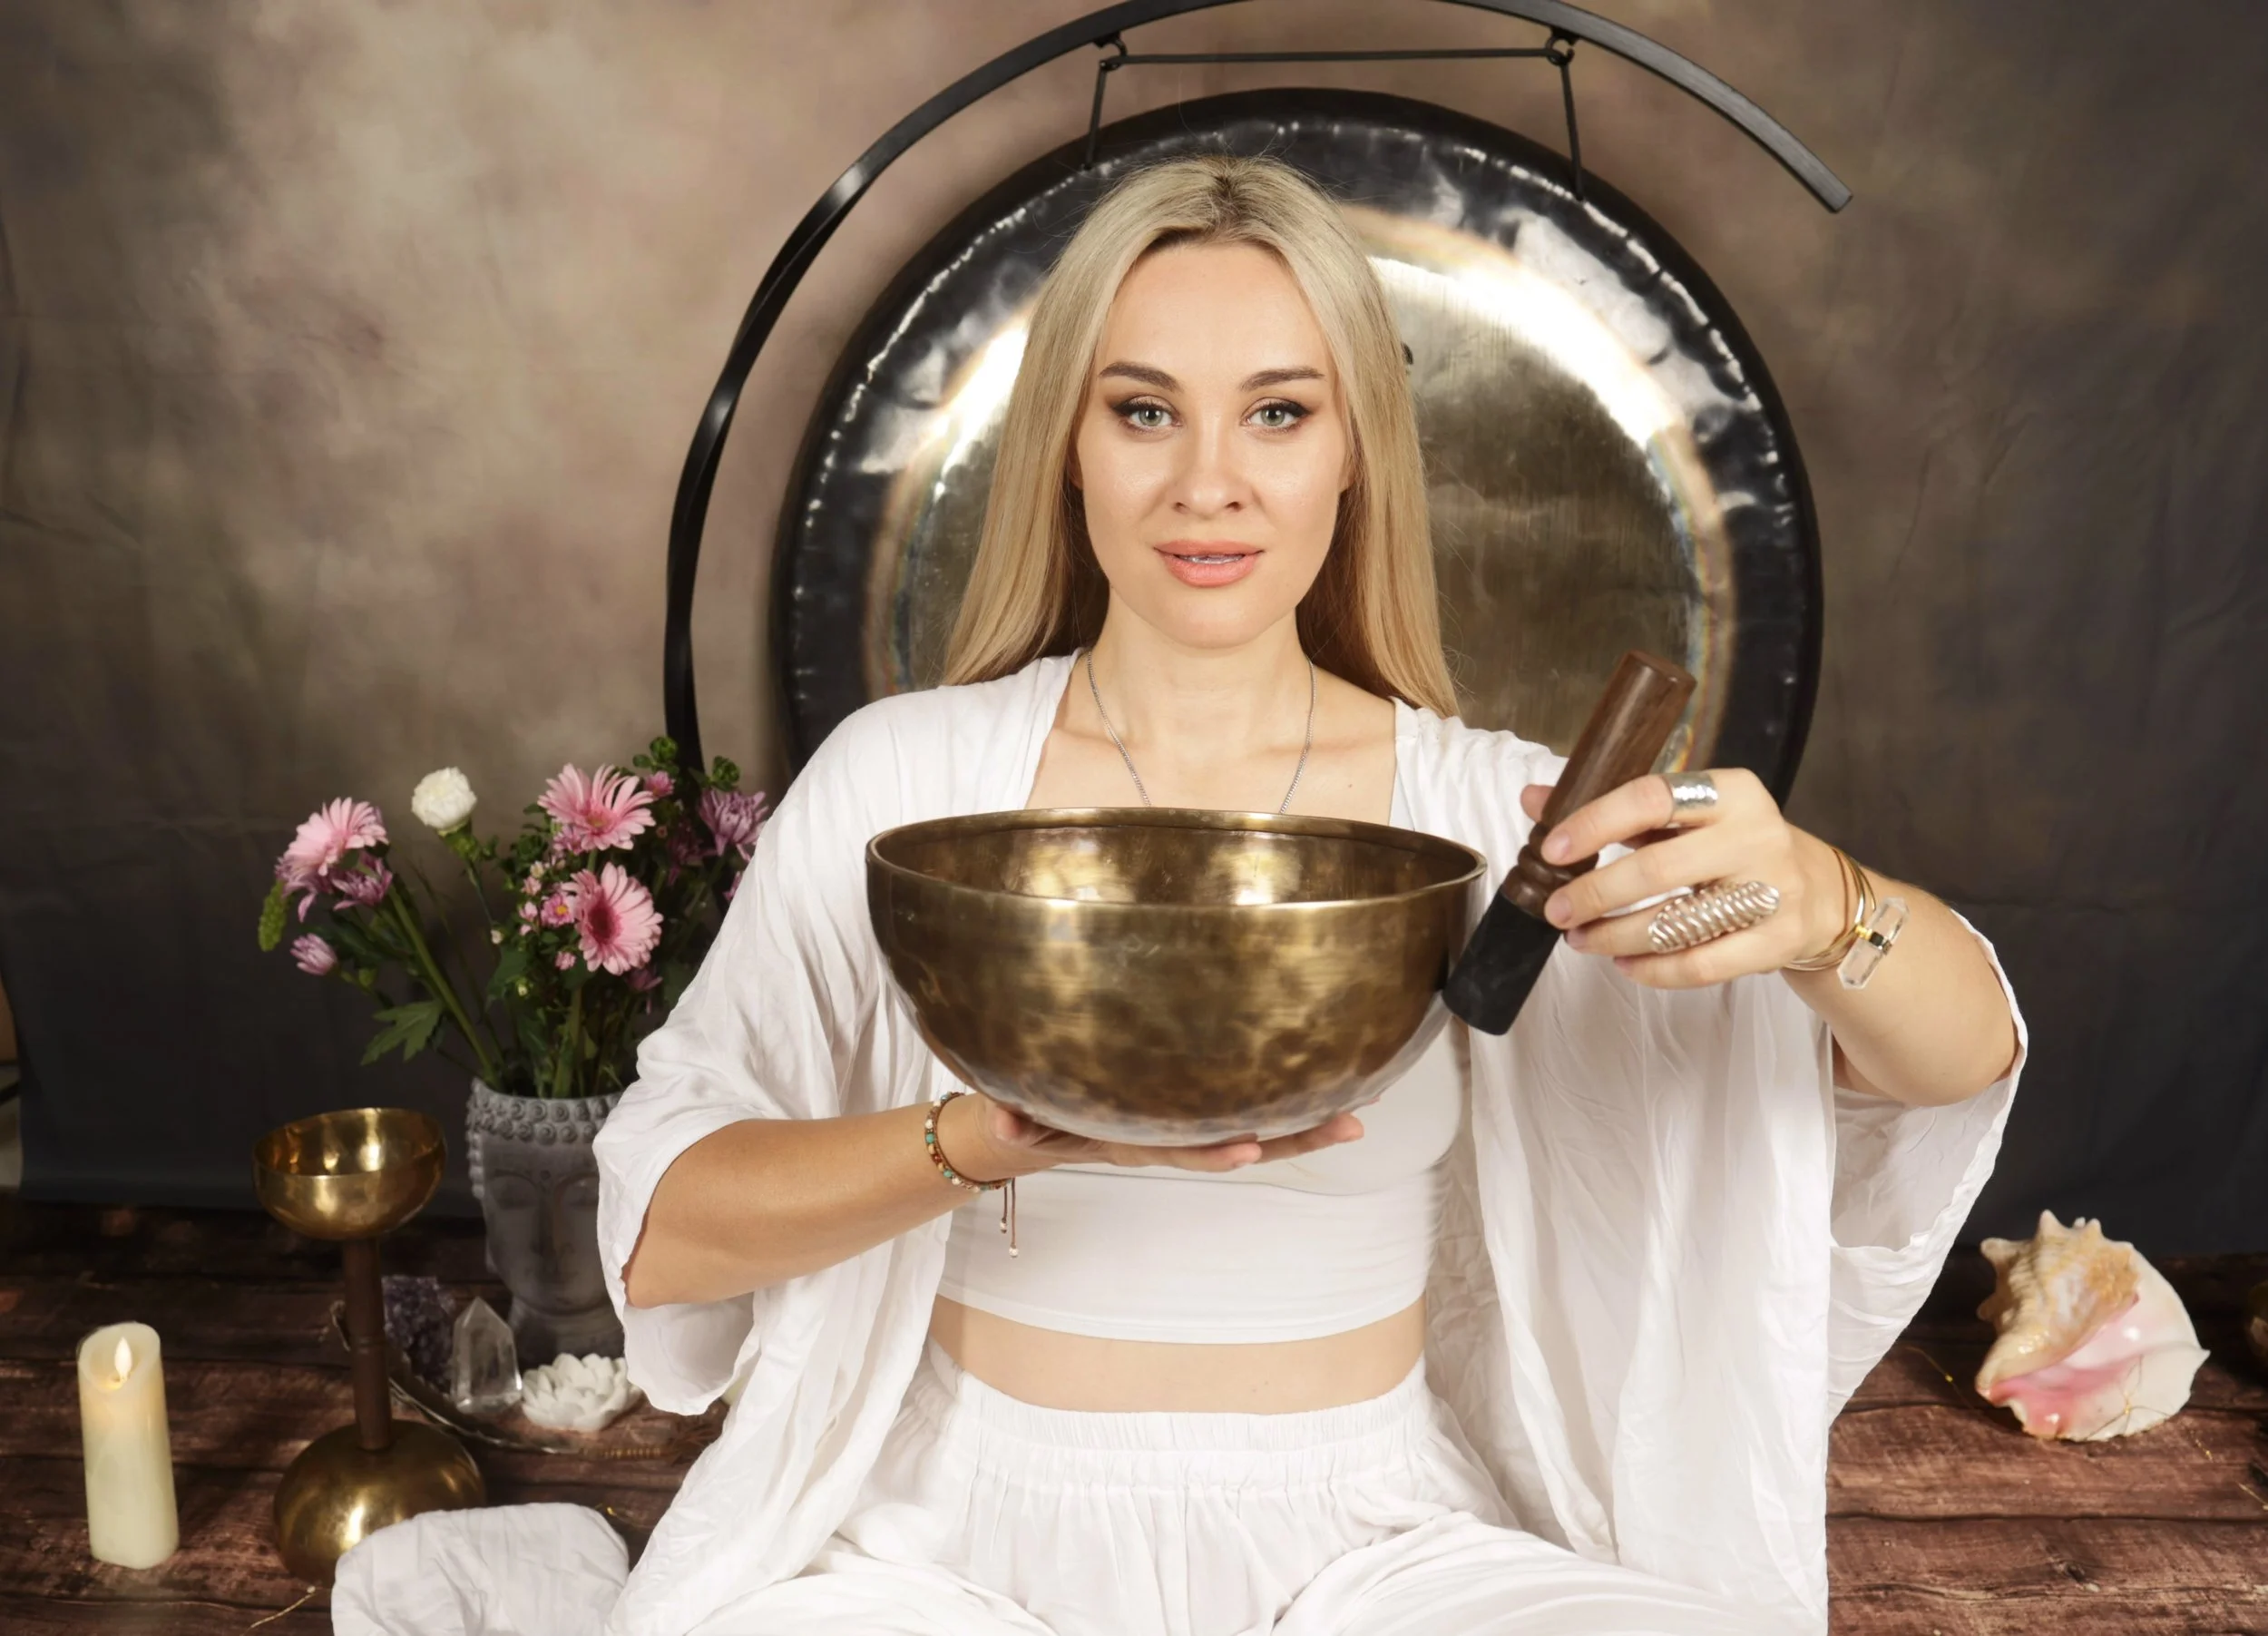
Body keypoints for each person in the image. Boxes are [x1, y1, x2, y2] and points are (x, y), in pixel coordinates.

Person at [337, 155, 2023, 1636]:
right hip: (943, 1550)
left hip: (1369, 1545)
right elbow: (666, 1215)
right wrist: (977, 1140)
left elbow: (1939, 1066)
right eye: (1144, 410)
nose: (1208, 483)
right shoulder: (908, 781)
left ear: (1356, 450)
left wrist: (1820, 908)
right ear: (1067, 444)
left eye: (1277, 413)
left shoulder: (1488, 816)